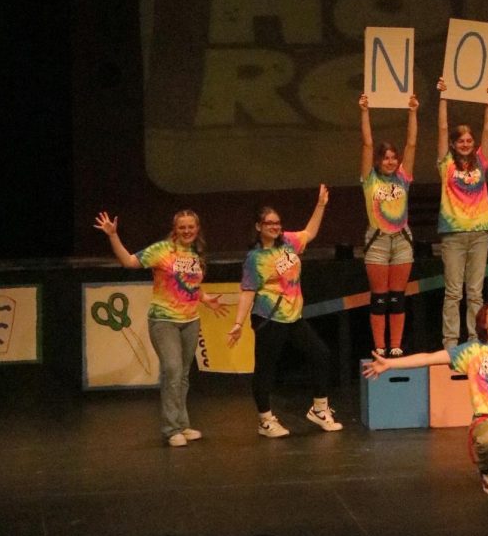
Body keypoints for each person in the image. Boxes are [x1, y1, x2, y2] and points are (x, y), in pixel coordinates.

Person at [364, 247, 488, 496]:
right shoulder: (472, 350)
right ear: (484, 323)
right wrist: (390, 363)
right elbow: (429, 358)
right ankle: (487, 469)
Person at [94, 208, 226, 447]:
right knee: (173, 370)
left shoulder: (196, 252)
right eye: (182, 227)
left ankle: (182, 424)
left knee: (183, 375)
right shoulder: (161, 250)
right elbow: (129, 261)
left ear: (197, 229)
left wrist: (205, 299)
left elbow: (190, 285)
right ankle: (170, 428)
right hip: (164, 320)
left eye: (191, 227)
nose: (187, 231)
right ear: (175, 229)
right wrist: (113, 235)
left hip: (190, 320)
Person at [227, 186, 343, 438]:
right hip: (269, 318)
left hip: (293, 316)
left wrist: (321, 204)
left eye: (277, 223)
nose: (275, 227)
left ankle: (319, 409)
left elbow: (310, 232)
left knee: (321, 354)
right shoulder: (254, 258)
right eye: (269, 223)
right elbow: (247, 290)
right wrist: (238, 323)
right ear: (258, 226)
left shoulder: (289, 242)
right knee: (266, 369)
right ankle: (265, 420)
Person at [436, 76, 488, 350]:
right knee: (453, 292)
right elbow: (442, 127)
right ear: (452, 144)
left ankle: (474, 338)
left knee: (475, 292)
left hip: (479, 233)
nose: (466, 143)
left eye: (469, 140)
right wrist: (444, 97)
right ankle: (450, 342)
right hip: (453, 234)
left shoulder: (481, 161)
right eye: (460, 140)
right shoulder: (446, 163)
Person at [359, 91, 419, 358]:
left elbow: (412, 144)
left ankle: (395, 345)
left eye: (394, 157)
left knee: (397, 297)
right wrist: (364, 112)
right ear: (378, 161)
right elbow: (367, 145)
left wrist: (413, 112)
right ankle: (379, 346)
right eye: (386, 157)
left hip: (402, 240)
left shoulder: (403, 178)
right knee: (380, 298)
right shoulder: (370, 180)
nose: (391, 161)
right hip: (378, 241)